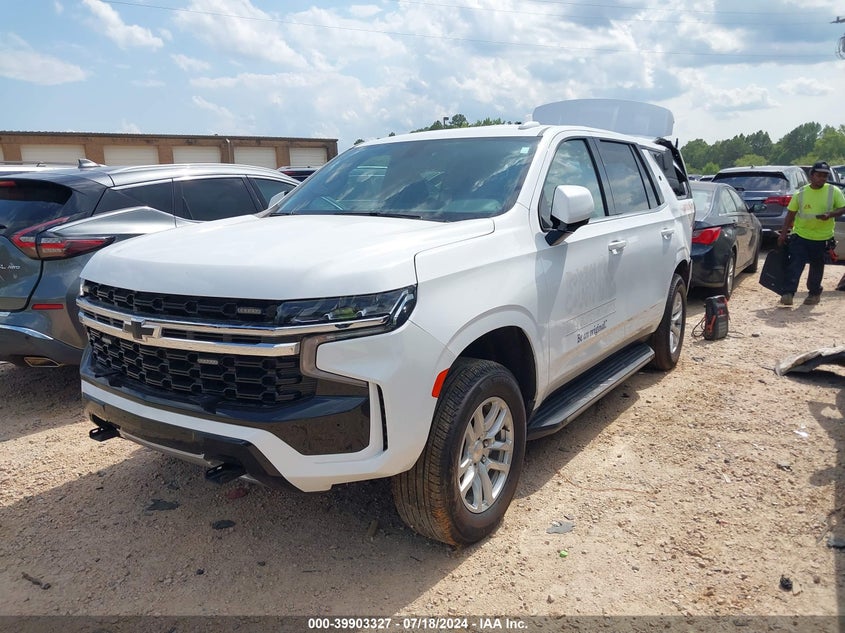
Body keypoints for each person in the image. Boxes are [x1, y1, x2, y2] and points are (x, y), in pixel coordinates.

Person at [777, 161, 845, 306]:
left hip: (822, 238)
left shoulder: (834, 191)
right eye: (819, 175)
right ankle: (788, 293)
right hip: (801, 236)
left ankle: (814, 294)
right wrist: (783, 234)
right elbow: (790, 214)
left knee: (816, 268)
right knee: (795, 265)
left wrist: (831, 214)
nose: (822, 178)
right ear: (811, 176)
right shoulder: (800, 193)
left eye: (825, 176)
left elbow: (842, 208)